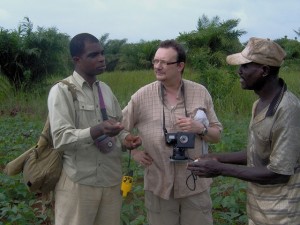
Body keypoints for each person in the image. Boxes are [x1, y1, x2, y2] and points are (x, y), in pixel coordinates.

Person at [187, 37, 300, 224]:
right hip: (259, 210)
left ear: (264, 70)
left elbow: (279, 172)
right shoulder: (259, 104)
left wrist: (220, 169)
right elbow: (256, 153)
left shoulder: (288, 109)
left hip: (282, 214)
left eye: (245, 66)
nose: (239, 71)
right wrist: (215, 158)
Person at [120, 40, 223, 225]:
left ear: (180, 66)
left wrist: (200, 128)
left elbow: (217, 135)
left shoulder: (200, 92)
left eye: (164, 62)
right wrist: (133, 152)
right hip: (159, 185)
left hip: (195, 184)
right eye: (155, 61)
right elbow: (119, 129)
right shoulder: (141, 96)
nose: (158, 67)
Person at [47, 33, 141, 225]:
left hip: (110, 180)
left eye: (102, 53)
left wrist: (125, 139)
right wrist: (97, 130)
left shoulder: (105, 89)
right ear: (77, 60)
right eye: (93, 55)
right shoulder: (62, 91)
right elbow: (60, 139)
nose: (101, 58)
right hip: (79, 183)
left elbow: (118, 126)